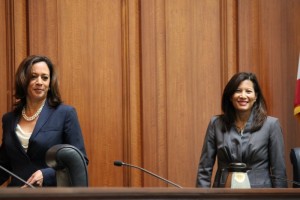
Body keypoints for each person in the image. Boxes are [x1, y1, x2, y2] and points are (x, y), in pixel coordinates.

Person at [0, 55, 88, 187]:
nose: (39, 82)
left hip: (50, 194)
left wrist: (46, 174)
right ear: (23, 80)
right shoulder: (9, 119)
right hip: (17, 195)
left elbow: (79, 161)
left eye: (45, 77)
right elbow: (4, 164)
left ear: (50, 83)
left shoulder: (65, 114)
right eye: (33, 76)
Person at [196, 72, 287, 188]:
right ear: (230, 96)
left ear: (256, 96)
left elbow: (279, 172)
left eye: (248, 91)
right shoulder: (216, 124)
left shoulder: (271, 125)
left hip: (261, 195)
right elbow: (204, 169)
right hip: (223, 193)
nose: (243, 96)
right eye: (238, 91)